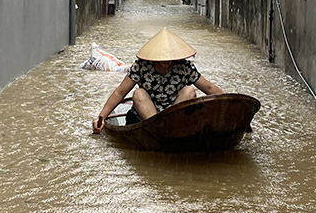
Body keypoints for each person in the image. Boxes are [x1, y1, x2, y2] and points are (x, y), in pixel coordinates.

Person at [91, 27, 224, 133]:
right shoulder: (141, 66)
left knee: (189, 90)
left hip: (174, 113)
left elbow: (209, 88)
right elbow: (120, 93)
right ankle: (158, 129)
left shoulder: (184, 66)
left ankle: (172, 128)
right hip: (148, 116)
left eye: (169, 59)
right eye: (162, 60)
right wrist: (101, 117)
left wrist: (234, 106)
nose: (167, 63)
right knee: (138, 93)